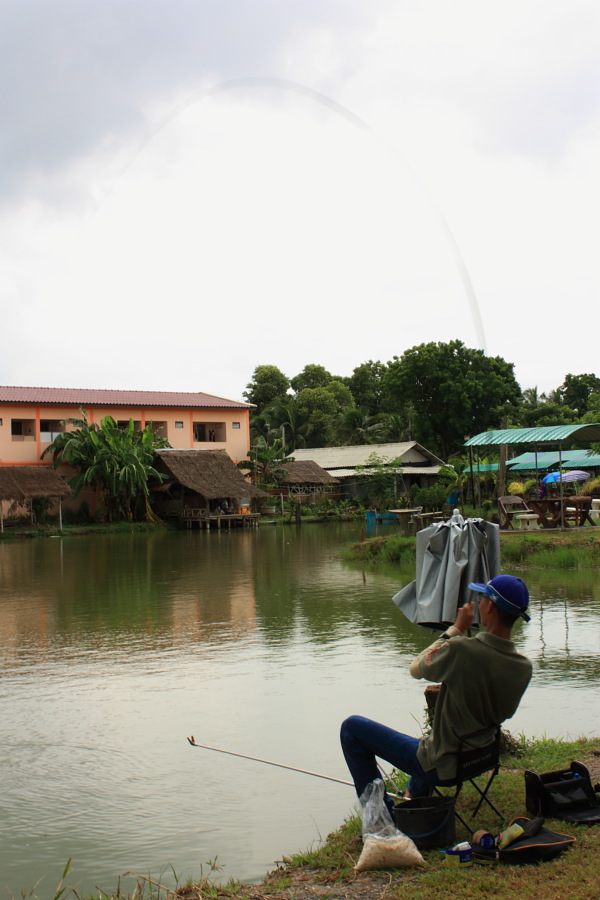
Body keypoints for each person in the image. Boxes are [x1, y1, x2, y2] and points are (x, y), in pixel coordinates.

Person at [340, 574, 533, 805]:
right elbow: (505, 711)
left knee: (352, 728)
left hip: (444, 765)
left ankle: (381, 818)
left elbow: (416, 668)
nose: (479, 603)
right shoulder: (523, 667)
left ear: (490, 606)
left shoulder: (462, 649)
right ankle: (416, 796)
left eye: (482, 598)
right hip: (483, 757)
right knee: (429, 741)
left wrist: (455, 629)